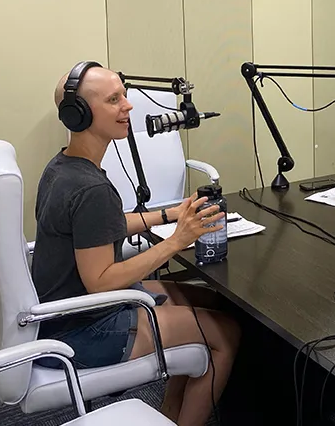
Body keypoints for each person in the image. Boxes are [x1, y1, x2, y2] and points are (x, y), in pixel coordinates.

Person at [32, 61, 241, 426]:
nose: (128, 106)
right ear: (79, 114)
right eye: (114, 100)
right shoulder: (90, 188)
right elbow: (102, 280)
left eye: (124, 95)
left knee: (212, 299)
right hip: (84, 329)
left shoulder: (63, 168)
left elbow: (100, 228)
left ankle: (170, 416)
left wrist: (169, 214)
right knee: (227, 332)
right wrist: (178, 241)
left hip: (64, 313)